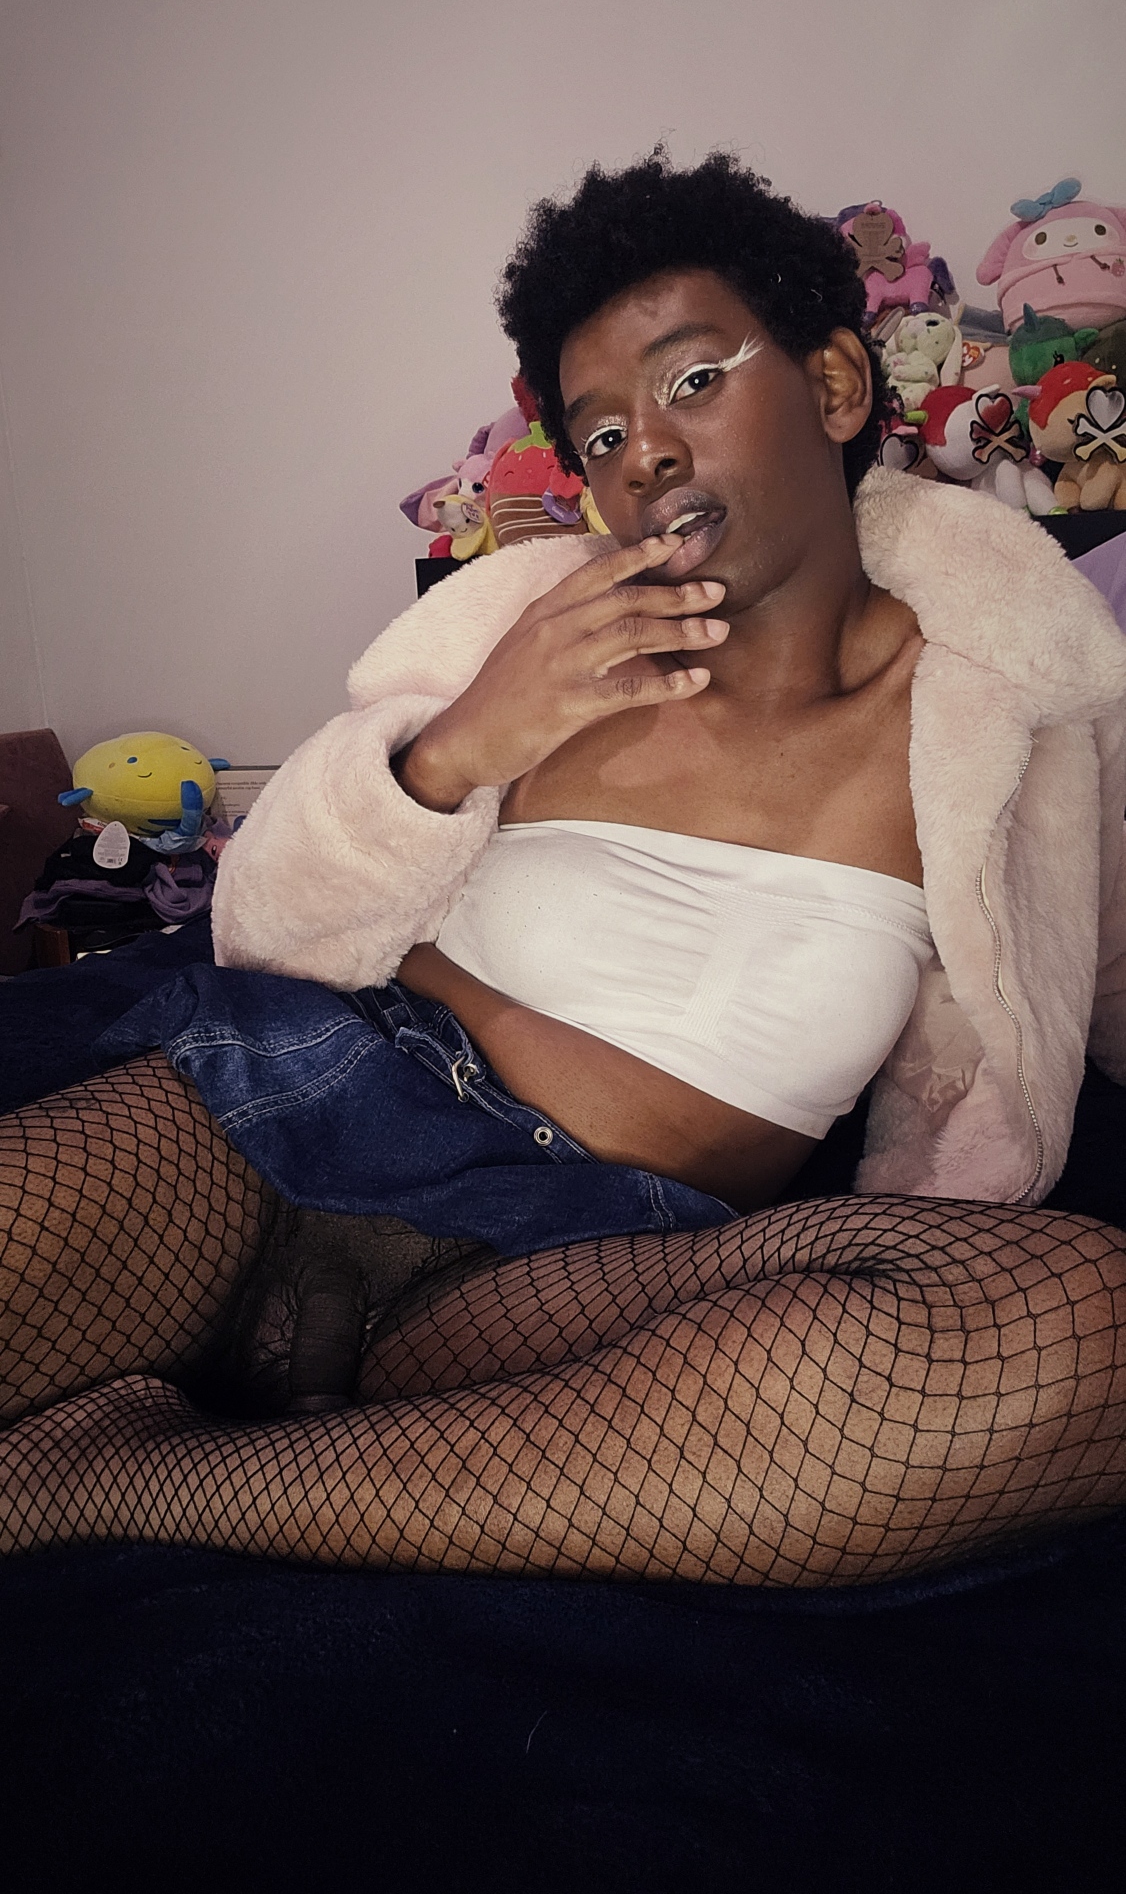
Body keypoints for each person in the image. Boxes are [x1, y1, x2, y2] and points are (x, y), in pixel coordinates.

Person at [2, 150, 1126, 1587]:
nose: (643, 452)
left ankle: (129, 1478)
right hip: (288, 1106)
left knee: (1081, 1326)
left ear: (836, 386)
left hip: (587, 1267)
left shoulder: (1008, 708)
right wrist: (458, 746)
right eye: (598, 435)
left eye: (693, 381)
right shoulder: (526, 632)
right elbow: (261, 926)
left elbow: (1102, 978)